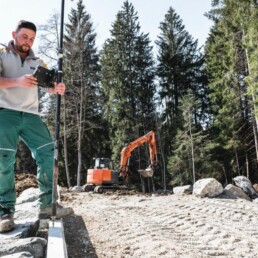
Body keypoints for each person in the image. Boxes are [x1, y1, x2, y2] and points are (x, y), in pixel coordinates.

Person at [0, 20, 74, 233]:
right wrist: (18, 81)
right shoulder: (2, 53)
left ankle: (47, 206)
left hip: (32, 115)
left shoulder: (38, 62)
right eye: (24, 37)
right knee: (4, 160)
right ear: (14, 33)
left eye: (32, 38)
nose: (28, 42)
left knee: (48, 154)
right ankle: (5, 212)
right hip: (5, 113)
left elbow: (48, 86)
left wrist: (56, 88)